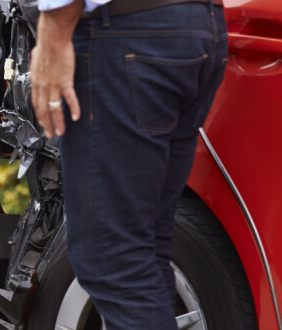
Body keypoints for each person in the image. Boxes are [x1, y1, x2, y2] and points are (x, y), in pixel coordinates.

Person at [29, 0, 226, 328]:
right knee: (144, 250)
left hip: (127, 31)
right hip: (197, 25)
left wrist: (53, 32)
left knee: (111, 258)